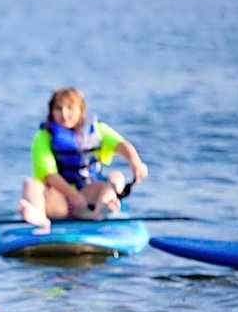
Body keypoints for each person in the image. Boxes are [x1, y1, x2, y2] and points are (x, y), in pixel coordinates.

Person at [18, 87, 149, 231]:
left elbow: (121, 145)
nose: (64, 114)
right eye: (58, 109)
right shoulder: (43, 137)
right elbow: (50, 176)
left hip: (88, 199)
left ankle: (103, 209)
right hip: (58, 202)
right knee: (30, 184)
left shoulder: (98, 131)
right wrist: (73, 196)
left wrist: (135, 163)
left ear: (81, 111)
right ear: (51, 112)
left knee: (117, 177)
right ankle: (40, 218)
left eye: (70, 108)